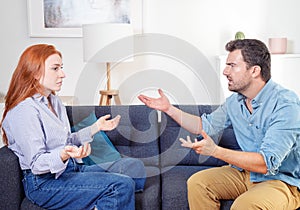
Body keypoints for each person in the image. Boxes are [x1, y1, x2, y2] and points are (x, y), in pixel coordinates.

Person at [138, 39, 300, 209]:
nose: (225, 71)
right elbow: (204, 126)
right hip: (245, 174)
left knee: (244, 205)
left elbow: (266, 163)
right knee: (198, 183)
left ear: (254, 71)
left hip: (281, 181)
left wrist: (215, 151)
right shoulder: (235, 103)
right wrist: (169, 109)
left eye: (232, 65)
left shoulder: (285, 105)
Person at [0, 44, 144, 210]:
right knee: (121, 185)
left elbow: (67, 140)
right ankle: (104, 197)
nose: (63, 74)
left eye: (61, 67)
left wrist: (96, 127)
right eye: (55, 68)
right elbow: (37, 163)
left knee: (135, 167)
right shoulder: (24, 111)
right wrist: (63, 154)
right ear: (34, 72)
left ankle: (99, 200)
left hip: (71, 170)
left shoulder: (54, 101)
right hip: (44, 183)